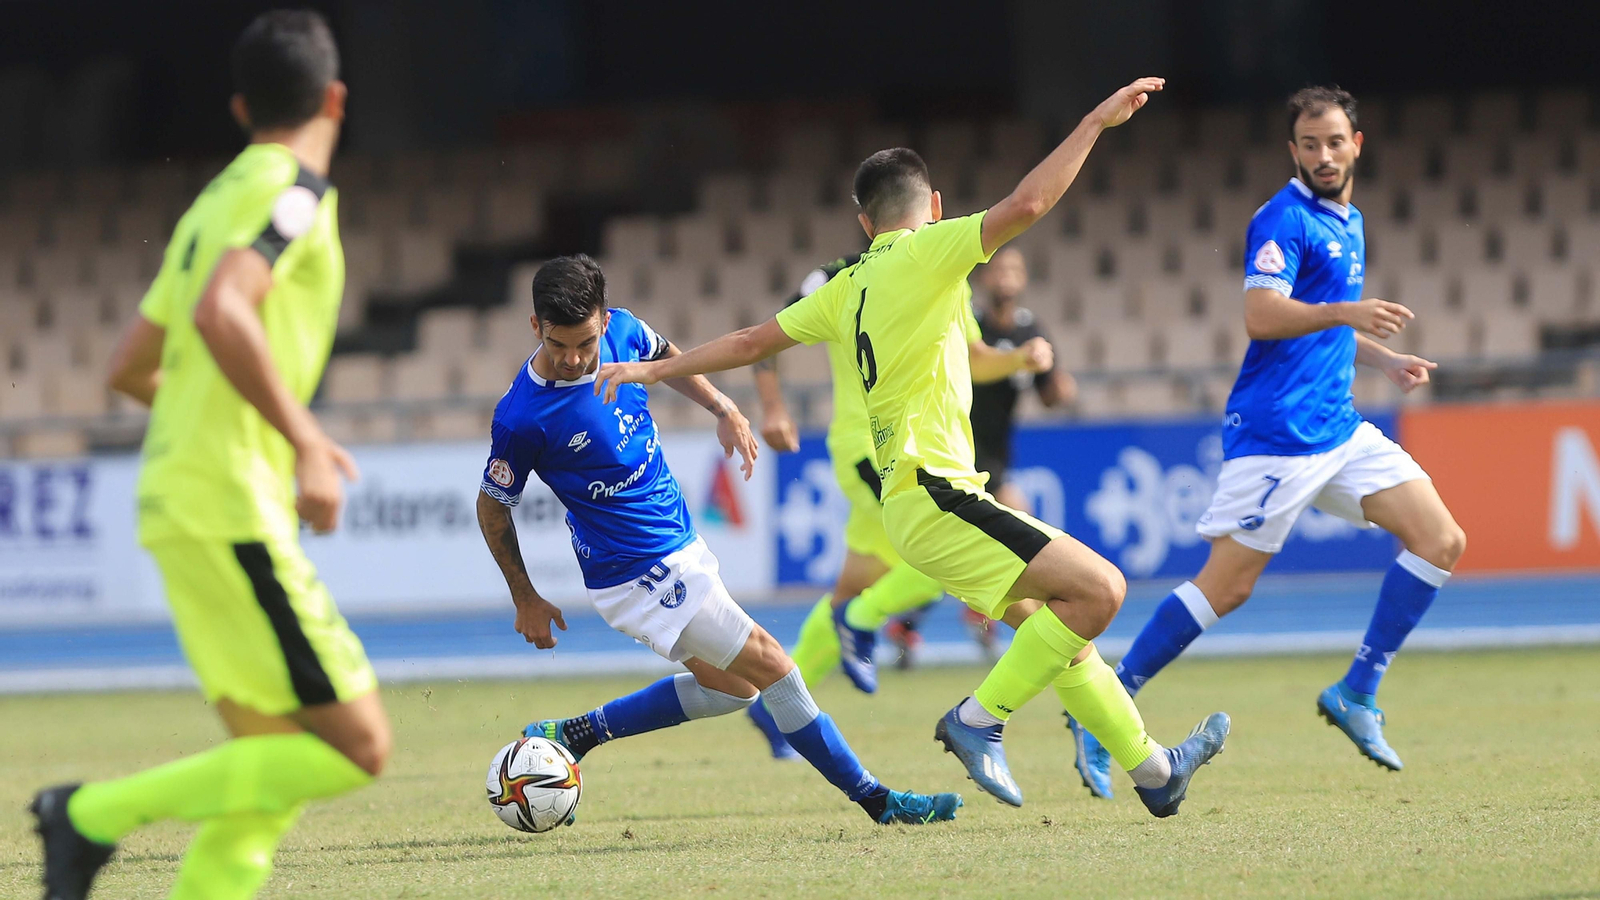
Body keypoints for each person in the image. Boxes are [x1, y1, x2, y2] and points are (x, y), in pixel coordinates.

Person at [594, 77, 1230, 817]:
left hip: (920, 500)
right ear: (931, 208)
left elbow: (749, 341)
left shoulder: (844, 286)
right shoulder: (932, 252)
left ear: (864, 223)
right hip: (936, 492)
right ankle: (976, 722)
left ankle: (1153, 771)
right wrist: (1094, 121)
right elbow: (1026, 206)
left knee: (1055, 635)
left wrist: (654, 367)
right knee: (1100, 592)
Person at [34, 12, 389, 900]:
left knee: (266, 772)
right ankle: (87, 814)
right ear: (336, 97)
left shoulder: (213, 202)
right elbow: (224, 312)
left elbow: (130, 367)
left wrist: (242, 431)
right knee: (357, 748)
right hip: (228, 502)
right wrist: (302, 439)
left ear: (240, 107)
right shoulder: (296, 191)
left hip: (182, 497)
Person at [1070, 86, 1467, 800]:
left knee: (1440, 540)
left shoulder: (1350, 220)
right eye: (1309, 144)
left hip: (1338, 427)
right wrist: (1349, 311)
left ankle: (1356, 692)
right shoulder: (1281, 218)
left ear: (1357, 145)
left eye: (1335, 142)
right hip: (1278, 434)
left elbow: (1327, 325)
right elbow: (1262, 315)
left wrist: (1382, 360)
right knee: (1228, 587)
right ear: (1293, 151)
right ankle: (1108, 709)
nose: (1323, 155)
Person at [476, 255, 962, 826]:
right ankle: (879, 800)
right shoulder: (522, 417)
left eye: (585, 342)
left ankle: (574, 734)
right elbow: (492, 507)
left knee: (735, 692)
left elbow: (668, 360)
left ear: (604, 321)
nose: (574, 358)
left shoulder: (626, 330)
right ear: (535, 327)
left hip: (678, 544)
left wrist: (723, 406)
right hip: (638, 572)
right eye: (559, 345)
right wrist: (524, 597)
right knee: (776, 667)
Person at [747, 254, 1053, 759]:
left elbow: (974, 357)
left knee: (849, 590)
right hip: (868, 451)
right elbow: (765, 338)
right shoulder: (836, 278)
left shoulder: (939, 271)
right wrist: (774, 407)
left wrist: (1019, 359)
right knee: (942, 552)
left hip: (901, 453)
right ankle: (865, 623)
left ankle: (775, 705)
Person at [959, 247, 1077, 652]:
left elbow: (1049, 391)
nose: (1007, 276)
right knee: (1018, 524)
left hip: (998, 450)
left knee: (979, 540)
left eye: (1015, 269)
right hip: (960, 445)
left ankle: (971, 610)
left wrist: (1060, 390)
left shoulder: (1030, 329)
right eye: (999, 269)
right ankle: (1011, 616)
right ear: (985, 278)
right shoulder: (971, 325)